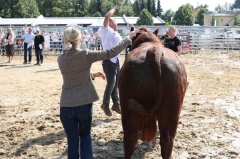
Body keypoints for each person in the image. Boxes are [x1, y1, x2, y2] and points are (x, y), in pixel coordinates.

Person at [57, 26, 136, 159]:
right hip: (83, 103)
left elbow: (73, 75)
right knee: (85, 136)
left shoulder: (60, 59)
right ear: (79, 39)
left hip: (66, 105)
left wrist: (93, 75)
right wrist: (128, 39)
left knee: (72, 142)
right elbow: (110, 53)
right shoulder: (85, 54)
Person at [97, 6, 122, 116]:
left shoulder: (115, 33)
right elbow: (107, 16)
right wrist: (114, 9)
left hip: (115, 60)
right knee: (111, 82)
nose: (113, 20)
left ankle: (116, 104)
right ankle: (105, 104)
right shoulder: (105, 30)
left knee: (115, 83)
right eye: (112, 20)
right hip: (108, 60)